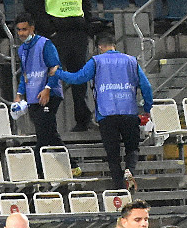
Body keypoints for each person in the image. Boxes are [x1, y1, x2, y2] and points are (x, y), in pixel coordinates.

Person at [50, 35, 153, 190]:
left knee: (113, 155)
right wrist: (147, 108)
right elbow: (146, 86)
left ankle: (120, 189)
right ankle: (129, 170)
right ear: (114, 45)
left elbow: (78, 78)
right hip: (129, 113)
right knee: (132, 148)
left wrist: (58, 73)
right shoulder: (131, 61)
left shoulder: (96, 61)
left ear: (99, 47)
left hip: (106, 114)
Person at [22, 0, 93, 133]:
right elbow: (32, 3)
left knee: (80, 79)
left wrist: (87, 24)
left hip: (76, 30)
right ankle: (45, 122)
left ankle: (83, 120)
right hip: (55, 33)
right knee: (50, 78)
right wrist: (48, 29)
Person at [12, 16, 66, 148]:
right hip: (33, 96)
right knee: (49, 134)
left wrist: (47, 88)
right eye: (19, 30)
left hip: (49, 94)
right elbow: (25, 74)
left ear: (32, 28)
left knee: (43, 135)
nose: (21, 33)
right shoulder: (22, 49)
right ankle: (68, 160)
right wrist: (19, 94)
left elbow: (56, 68)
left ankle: (38, 160)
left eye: (24, 29)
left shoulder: (45, 44)